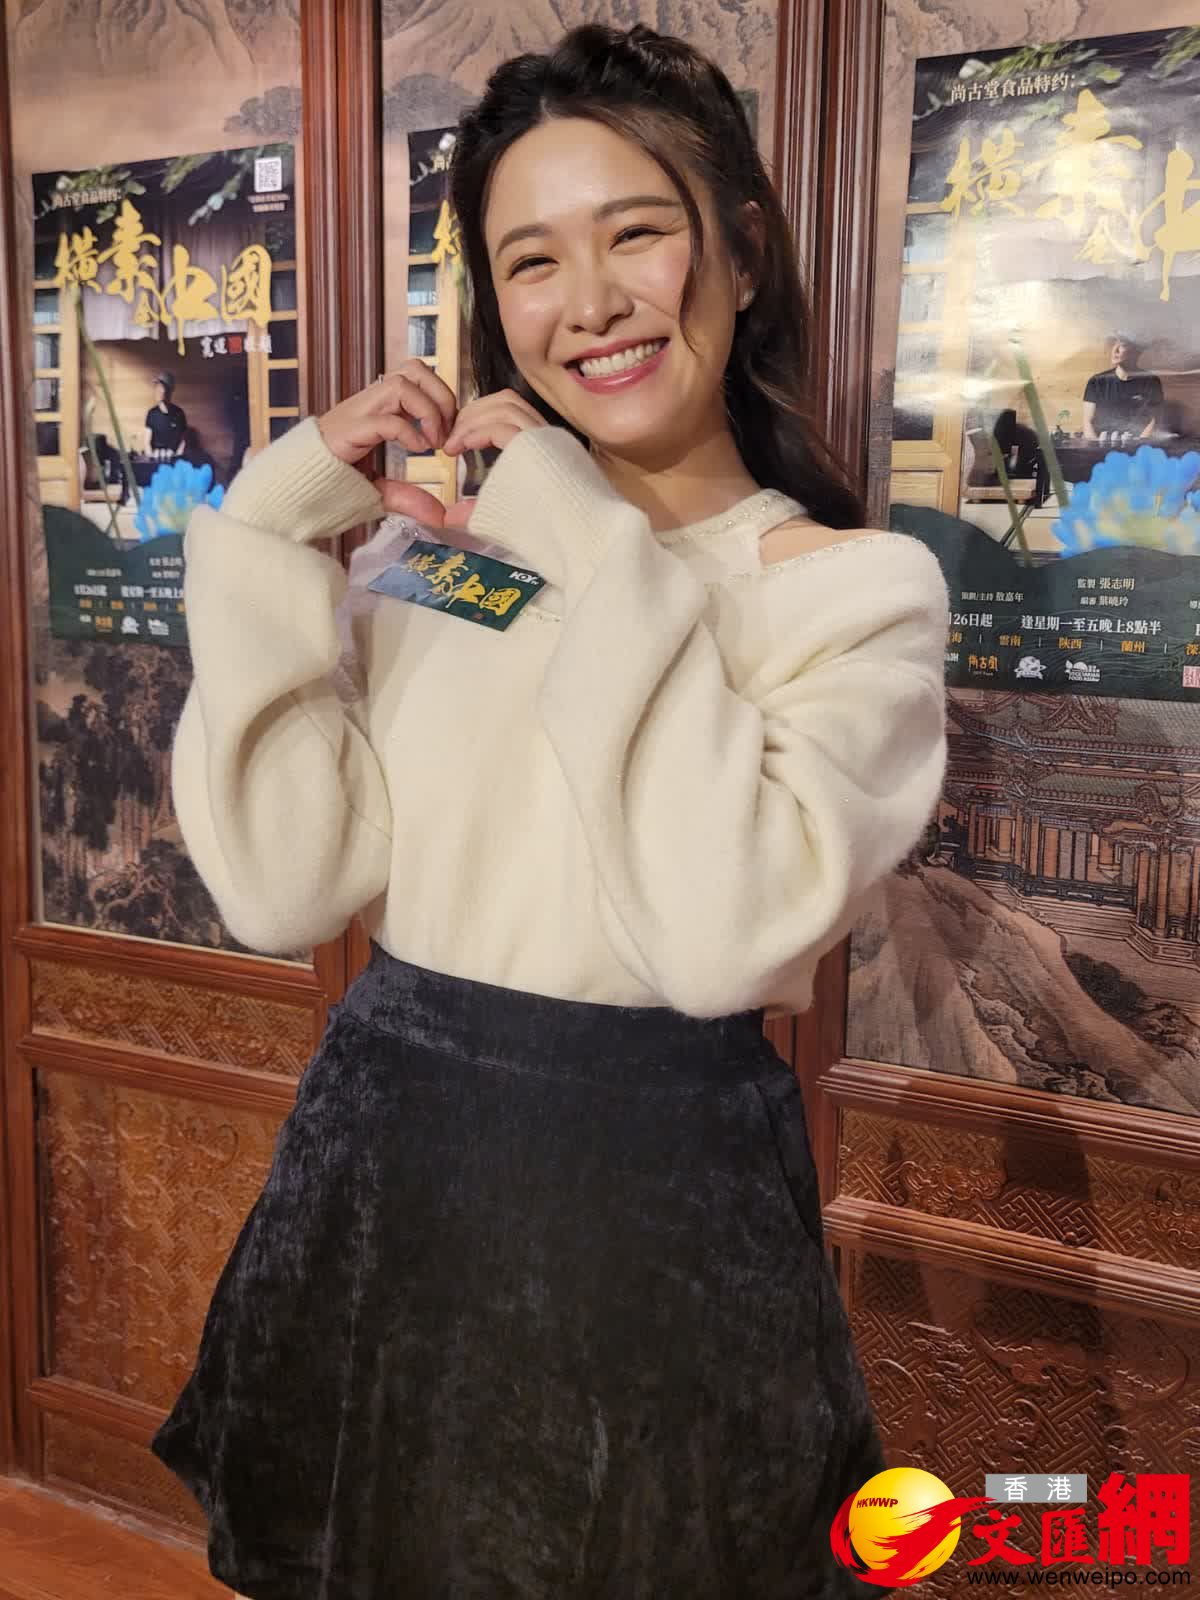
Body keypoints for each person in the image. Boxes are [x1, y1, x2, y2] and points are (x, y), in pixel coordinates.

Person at [150, 24, 947, 1598]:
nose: (587, 302)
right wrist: (272, 527)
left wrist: (571, 520)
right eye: (531, 260)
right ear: (496, 304)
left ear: (741, 255)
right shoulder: (463, 567)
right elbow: (287, 884)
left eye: (636, 233)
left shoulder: (854, 594)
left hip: (644, 1216)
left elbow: (722, 934)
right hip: (387, 1180)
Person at [1082, 334, 1163, 440]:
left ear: (1136, 352)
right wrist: (1097, 446)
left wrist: (1138, 445)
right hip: (1100, 444)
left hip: (1137, 446)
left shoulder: (1151, 381)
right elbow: (1087, 422)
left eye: (1122, 345)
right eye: (1114, 345)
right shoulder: (1096, 382)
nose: (1115, 351)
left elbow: (1154, 421)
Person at [143, 370, 188, 459]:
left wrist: (176, 458)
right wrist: (152, 458)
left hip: (173, 459)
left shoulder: (179, 413)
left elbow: (183, 442)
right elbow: (146, 442)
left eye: (162, 387)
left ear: (170, 390)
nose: (158, 391)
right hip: (155, 458)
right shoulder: (151, 414)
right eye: (157, 387)